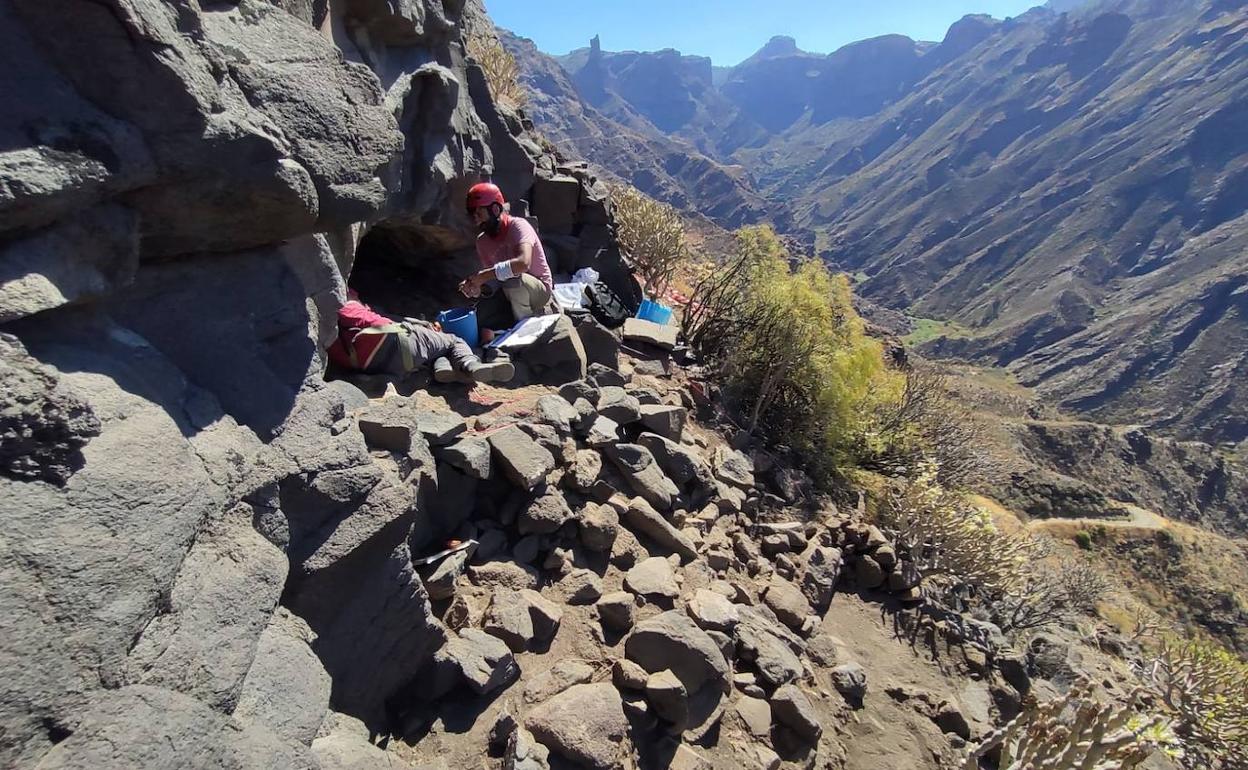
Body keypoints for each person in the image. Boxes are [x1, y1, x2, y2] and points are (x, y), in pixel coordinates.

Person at [327, 290, 514, 384]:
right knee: (453, 340)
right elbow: (383, 325)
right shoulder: (346, 305)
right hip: (398, 345)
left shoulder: (328, 336)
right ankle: (471, 365)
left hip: (381, 366)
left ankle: (443, 368)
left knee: (438, 349)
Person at [459, 182, 556, 321]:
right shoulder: (482, 242)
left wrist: (485, 275)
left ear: (495, 210)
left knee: (512, 278)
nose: (476, 220)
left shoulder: (518, 226)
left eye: (479, 213)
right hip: (509, 291)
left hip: (538, 290)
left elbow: (523, 263)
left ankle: (525, 326)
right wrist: (478, 287)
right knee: (480, 314)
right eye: (473, 215)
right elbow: (495, 280)